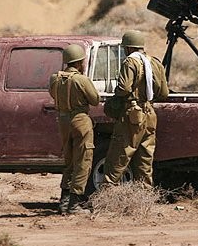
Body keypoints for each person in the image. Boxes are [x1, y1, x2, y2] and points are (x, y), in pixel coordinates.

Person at [103, 30, 169, 187]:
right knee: (145, 157)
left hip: (132, 114)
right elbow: (164, 93)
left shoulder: (130, 62)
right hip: (150, 113)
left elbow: (124, 88)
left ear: (127, 48)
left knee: (120, 153)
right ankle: (144, 195)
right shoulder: (154, 62)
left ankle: (106, 193)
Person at [49, 44, 100, 213]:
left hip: (63, 121)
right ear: (79, 62)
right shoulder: (81, 80)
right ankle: (74, 203)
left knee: (69, 161)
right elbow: (94, 100)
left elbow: (52, 93)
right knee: (83, 161)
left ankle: (64, 202)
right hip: (80, 121)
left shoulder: (55, 78)